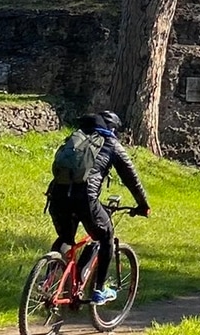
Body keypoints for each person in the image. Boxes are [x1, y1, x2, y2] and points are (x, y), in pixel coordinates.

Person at [46, 111, 150, 305]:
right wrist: (143, 205)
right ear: (112, 128)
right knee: (106, 236)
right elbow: (132, 179)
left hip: (57, 194)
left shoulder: (77, 138)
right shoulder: (112, 144)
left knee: (65, 238)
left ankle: (46, 281)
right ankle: (99, 290)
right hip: (85, 198)